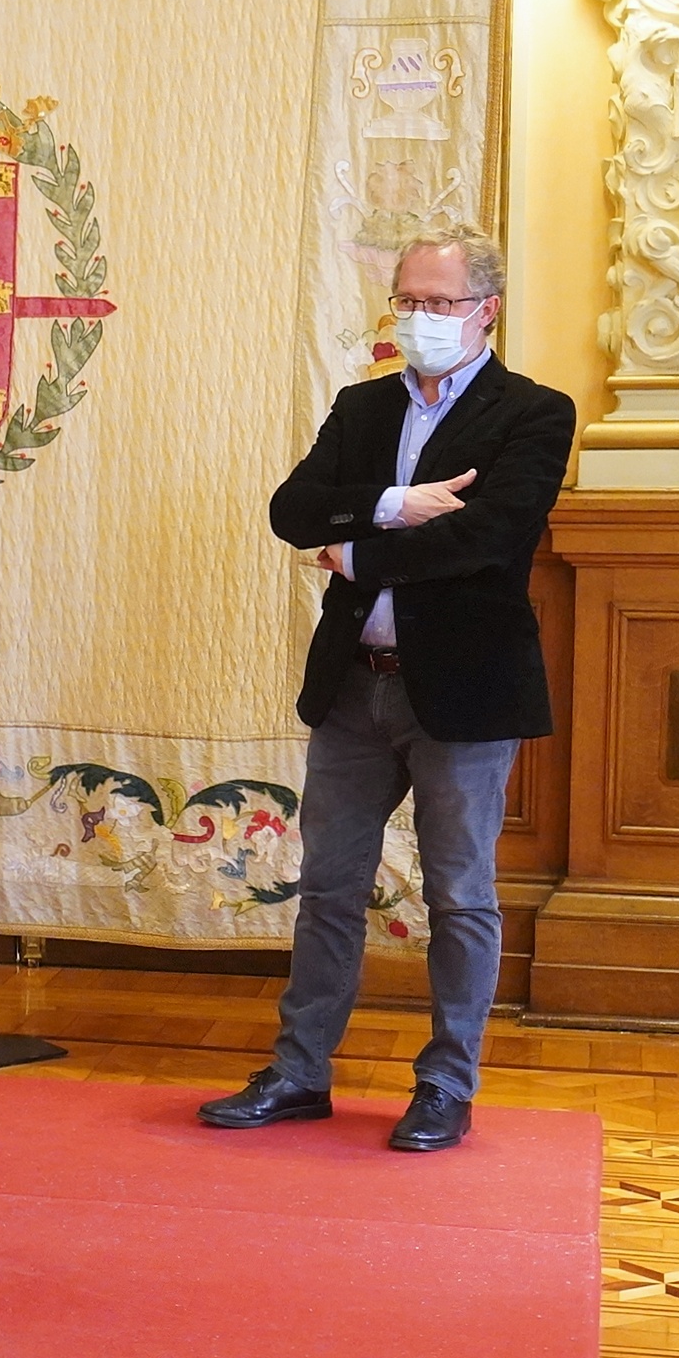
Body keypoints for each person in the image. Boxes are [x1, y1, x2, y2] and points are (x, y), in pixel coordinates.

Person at [199, 223, 574, 1151]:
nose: (418, 317)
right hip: (353, 685)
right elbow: (294, 512)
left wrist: (358, 551)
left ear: (486, 311)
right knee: (328, 888)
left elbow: (488, 536)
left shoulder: (534, 411)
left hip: (464, 694)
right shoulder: (362, 406)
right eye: (407, 299)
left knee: (459, 895)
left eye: (439, 302)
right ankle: (299, 1071)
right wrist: (392, 504)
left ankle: (446, 1084)